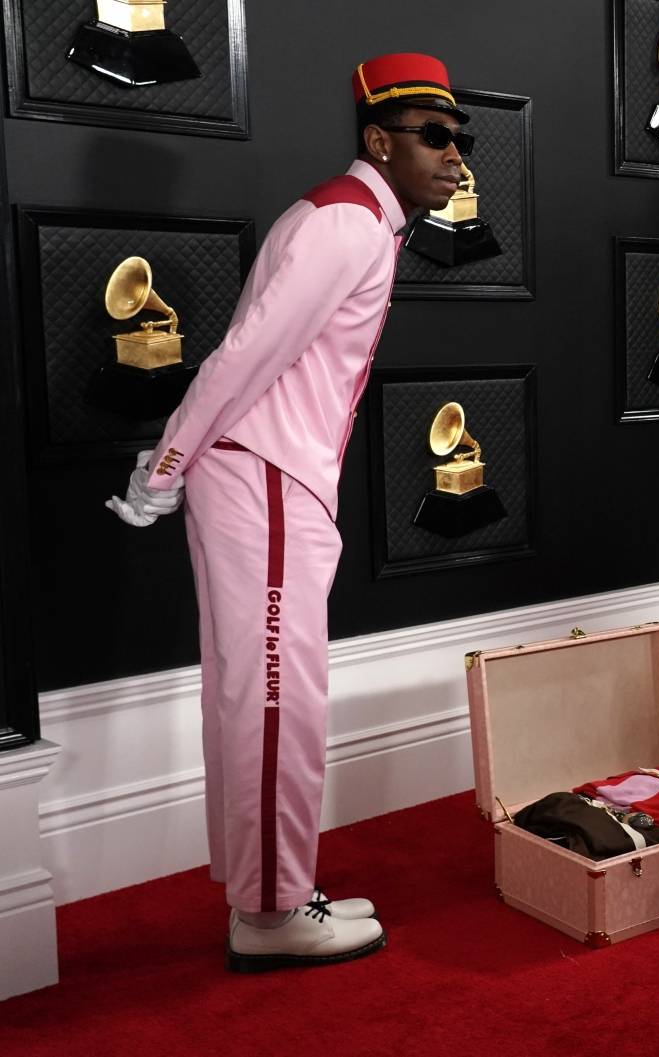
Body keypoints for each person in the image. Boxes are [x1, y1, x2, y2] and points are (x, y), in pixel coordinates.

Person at [104, 52, 471, 970]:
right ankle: (269, 914)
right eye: (432, 138)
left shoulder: (356, 219)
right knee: (277, 702)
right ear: (378, 141)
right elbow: (241, 354)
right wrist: (168, 466)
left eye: (458, 139)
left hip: (271, 478)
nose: (454, 156)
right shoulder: (346, 226)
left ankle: (265, 891)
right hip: (266, 479)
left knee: (250, 692)